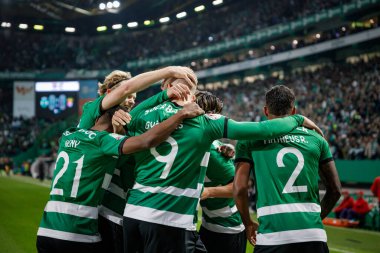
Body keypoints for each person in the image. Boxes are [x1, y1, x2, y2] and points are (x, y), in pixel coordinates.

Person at [123, 77, 323, 253]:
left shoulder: (143, 115)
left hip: (133, 212)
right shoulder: (204, 123)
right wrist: (297, 118)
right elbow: (264, 130)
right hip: (170, 218)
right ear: (191, 96)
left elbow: (128, 115)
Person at [36, 100, 204, 253]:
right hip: (79, 234)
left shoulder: (68, 135)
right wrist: (181, 114)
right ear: (116, 117)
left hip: (45, 231)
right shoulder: (104, 141)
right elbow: (147, 141)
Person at [233, 85, 341, 253]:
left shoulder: (249, 139)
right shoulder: (316, 138)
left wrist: (248, 223)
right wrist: (314, 219)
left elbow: (240, 189)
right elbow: (335, 190)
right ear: (294, 111)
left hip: (272, 236)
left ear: (265, 110)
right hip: (314, 236)